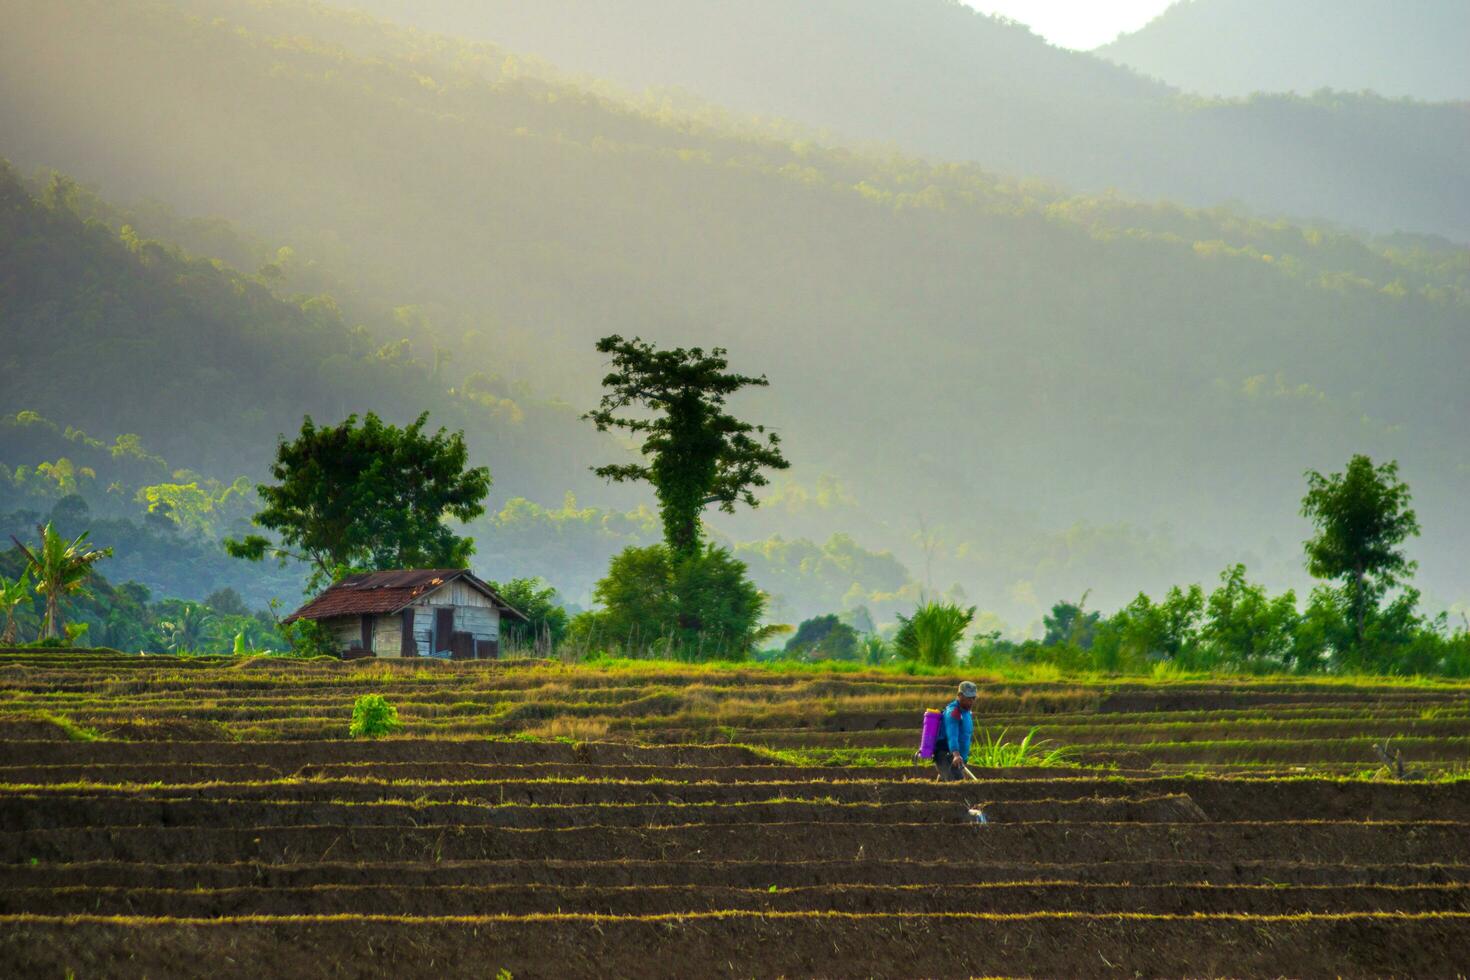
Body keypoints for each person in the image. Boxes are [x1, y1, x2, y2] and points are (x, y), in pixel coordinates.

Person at [934, 681, 977, 781]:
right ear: (959, 695)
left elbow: (965, 736)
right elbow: (952, 735)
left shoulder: (966, 712)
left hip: (957, 758)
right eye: (968, 698)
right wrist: (956, 755)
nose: (971, 701)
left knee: (946, 784)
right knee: (956, 784)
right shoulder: (953, 712)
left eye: (973, 698)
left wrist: (962, 757)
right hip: (946, 755)